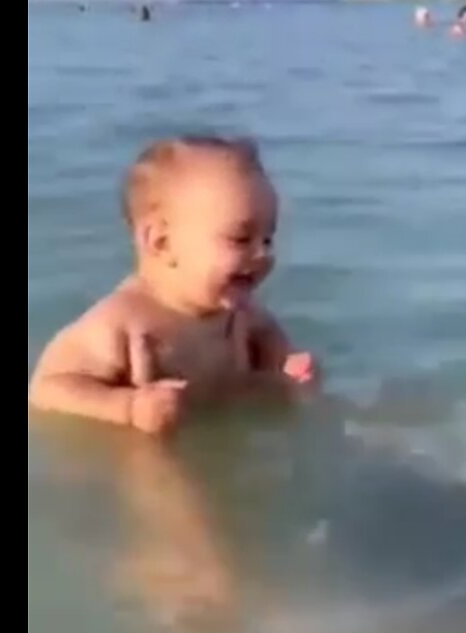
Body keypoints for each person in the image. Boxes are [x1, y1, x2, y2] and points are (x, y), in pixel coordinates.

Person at [29, 135, 317, 438]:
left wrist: (289, 368)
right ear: (161, 242)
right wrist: (127, 407)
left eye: (268, 238)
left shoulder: (242, 312)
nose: (263, 254)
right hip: (155, 449)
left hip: (227, 432)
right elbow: (46, 390)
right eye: (241, 239)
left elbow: (271, 342)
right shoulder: (121, 323)